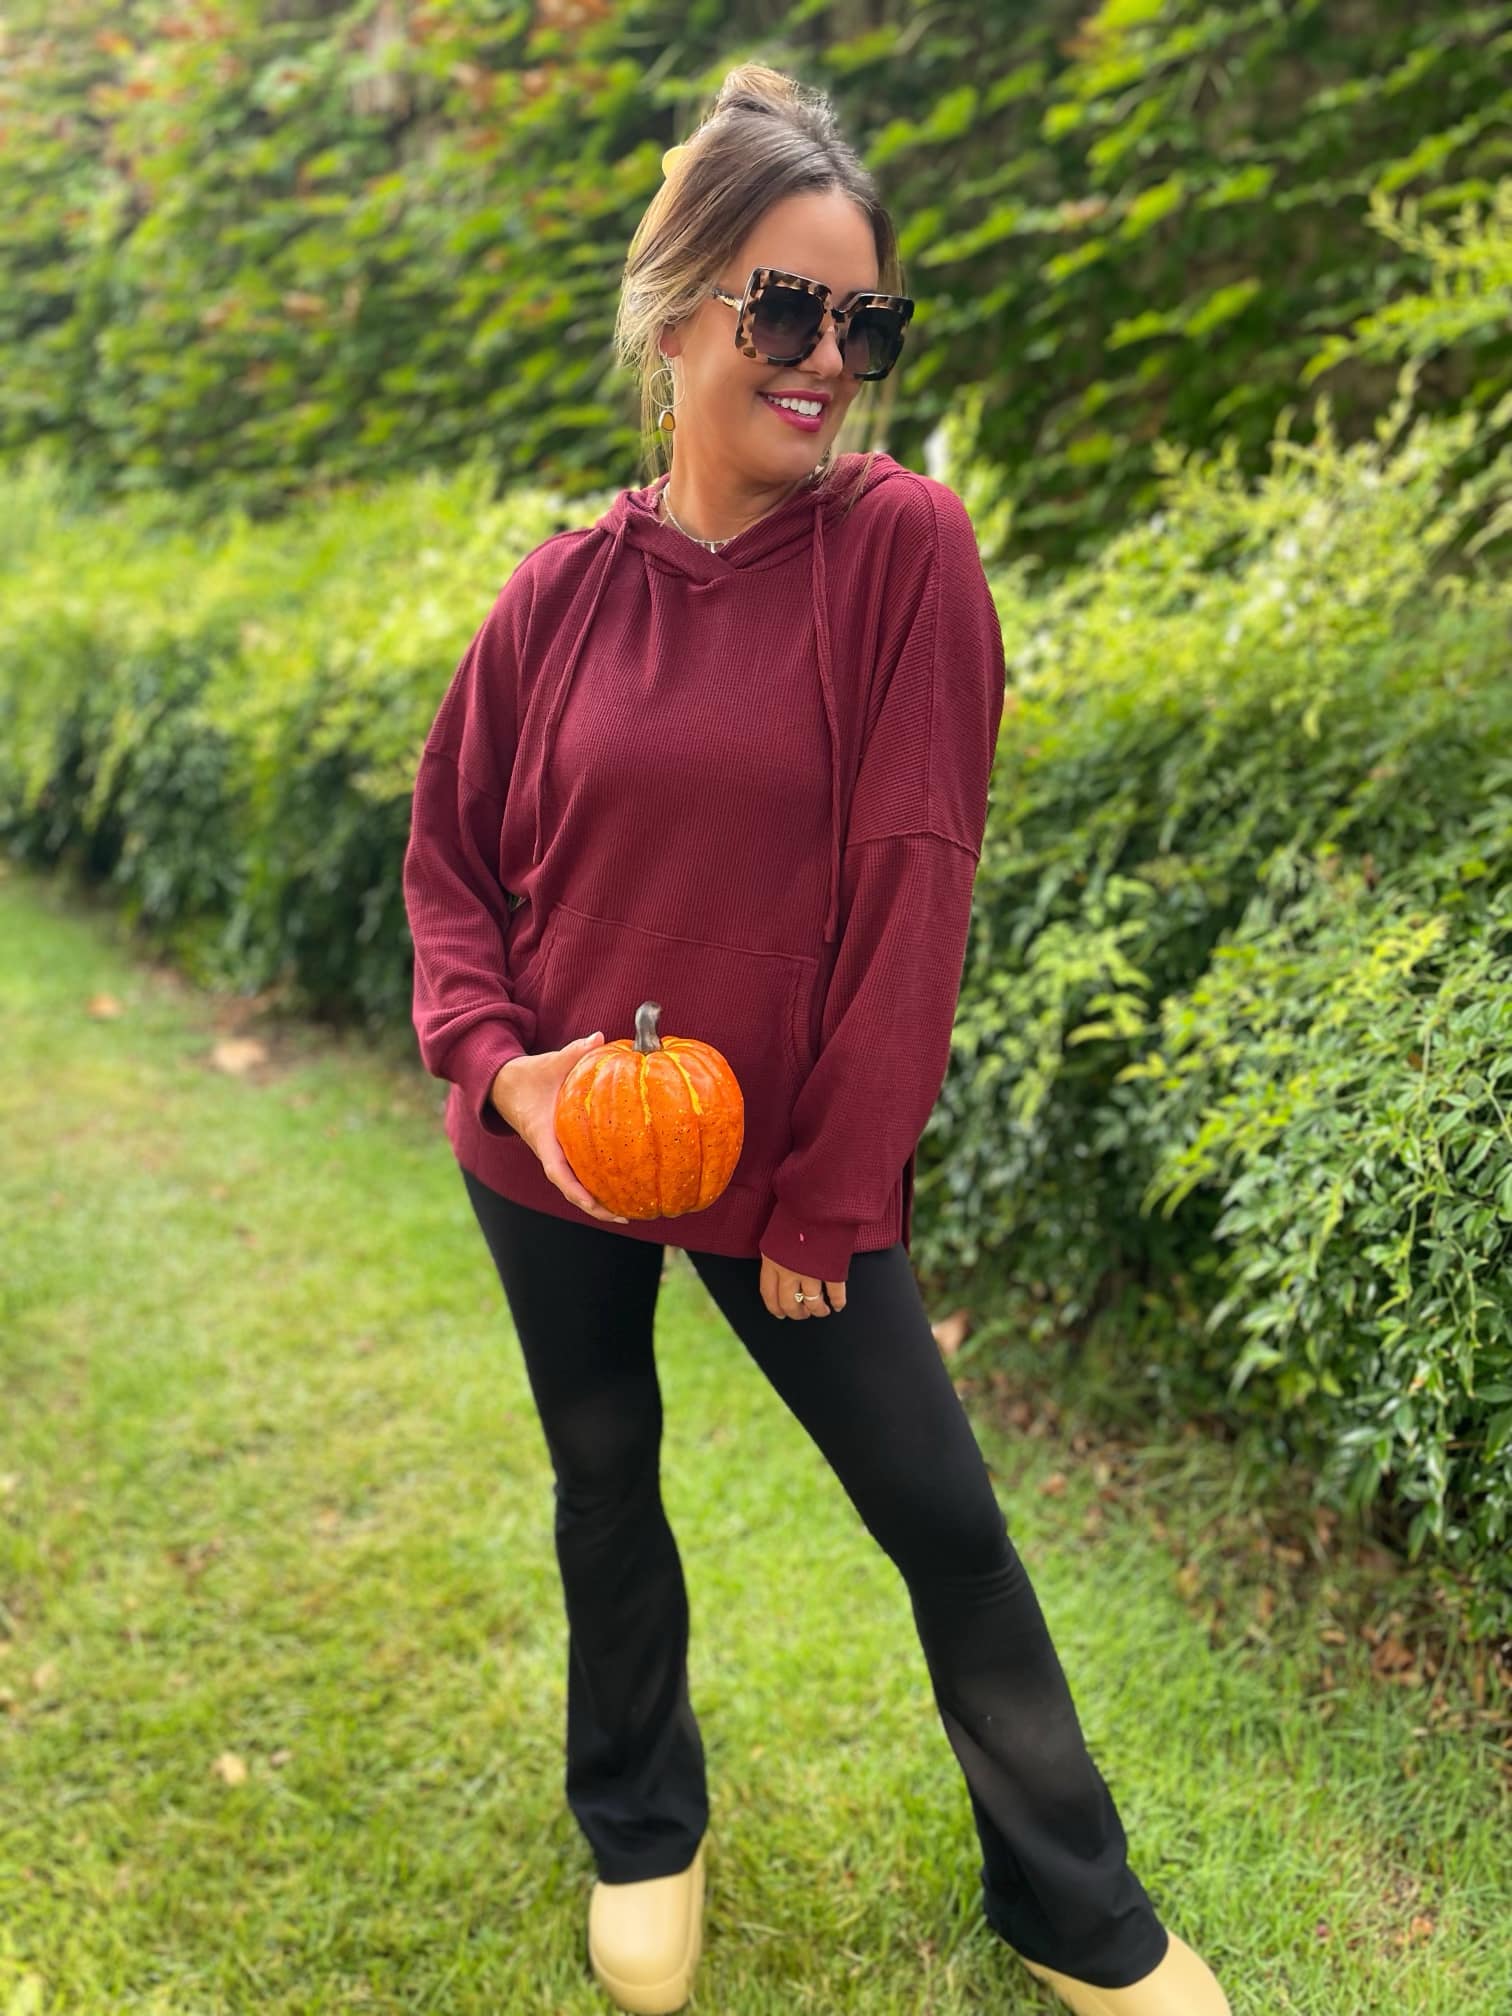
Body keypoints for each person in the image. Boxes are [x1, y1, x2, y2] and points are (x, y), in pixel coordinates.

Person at [401, 58, 1231, 2016]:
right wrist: (506, 1074)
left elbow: (914, 880)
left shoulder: (899, 551)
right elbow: (450, 866)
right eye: (789, 310)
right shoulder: (557, 597)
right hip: (557, 1144)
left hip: (783, 1169)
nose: (830, 359)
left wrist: (836, 1186)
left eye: (869, 322)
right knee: (604, 1476)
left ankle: (1075, 1914)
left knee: (943, 1520)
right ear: (680, 313)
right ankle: (641, 1828)